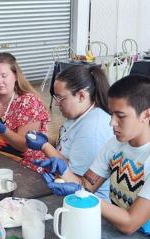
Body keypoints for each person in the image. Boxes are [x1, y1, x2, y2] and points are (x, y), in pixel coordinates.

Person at [33, 75, 150, 239]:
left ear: (146, 115)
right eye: (112, 114)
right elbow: (86, 185)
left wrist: (80, 191)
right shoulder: (115, 145)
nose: (112, 123)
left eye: (121, 116)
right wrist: (62, 170)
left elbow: (130, 223)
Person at [26, 64, 113, 200]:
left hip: (87, 201)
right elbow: (68, 141)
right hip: (65, 185)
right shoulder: (78, 114)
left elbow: (77, 180)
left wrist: (44, 146)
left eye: (60, 98)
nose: (56, 104)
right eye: (55, 98)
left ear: (81, 96)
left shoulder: (93, 130)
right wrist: (45, 138)